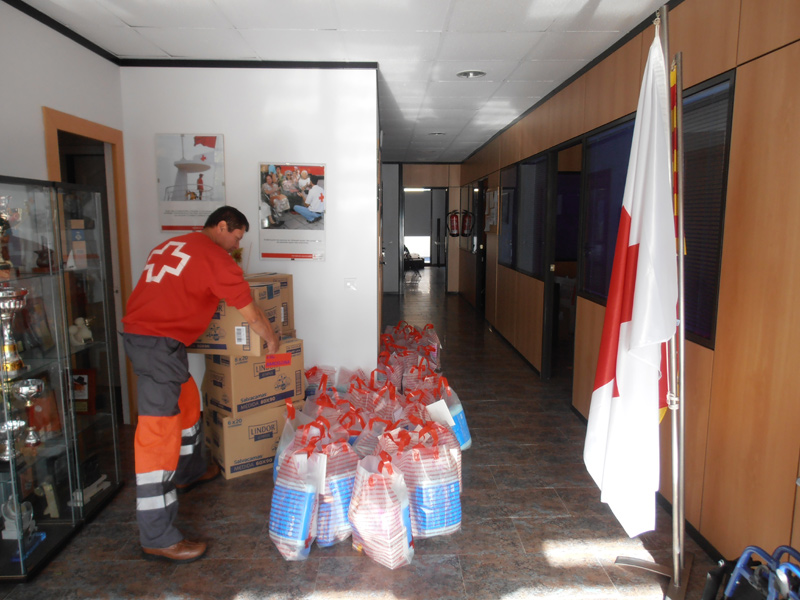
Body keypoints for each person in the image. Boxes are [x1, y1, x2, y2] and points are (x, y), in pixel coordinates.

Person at [122, 206, 280, 564]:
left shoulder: (173, 245)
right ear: (222, 226)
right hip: (157, 343)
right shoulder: (214, 257)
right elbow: (248, 310)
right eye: (237, 237)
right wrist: (271, 340)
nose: (236, 246)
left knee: (189, 402)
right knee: (158, 433)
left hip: (154, 339)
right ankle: (158, 535)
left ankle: (189, 472)